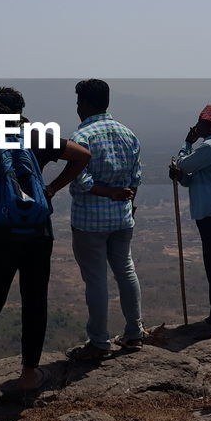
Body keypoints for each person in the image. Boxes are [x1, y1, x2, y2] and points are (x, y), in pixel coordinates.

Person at [0, 87, 90, 397]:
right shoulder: (38, 137)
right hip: (38, 233)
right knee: (34, 301)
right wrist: (51, 189)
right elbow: (82, 156)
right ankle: (28, 375)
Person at [66, 78, 146, 359]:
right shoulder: (128, 134)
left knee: (96, 280)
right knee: (126, 270)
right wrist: (125, 200)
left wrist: (108, 193)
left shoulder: (82, 137)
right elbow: (136, 177)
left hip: (90, 221)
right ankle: (135, 332)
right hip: (123, 219)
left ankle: (99, 341)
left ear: (85, 104)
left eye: (78, 103)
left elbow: (80, 182)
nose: (77, 108)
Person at [169, 105, 211, 328]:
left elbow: (184, 163)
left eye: (201, 122)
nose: (197, 126)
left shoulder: (210, 147)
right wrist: (182, 178)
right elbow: (195, 178)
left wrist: (187, 143)